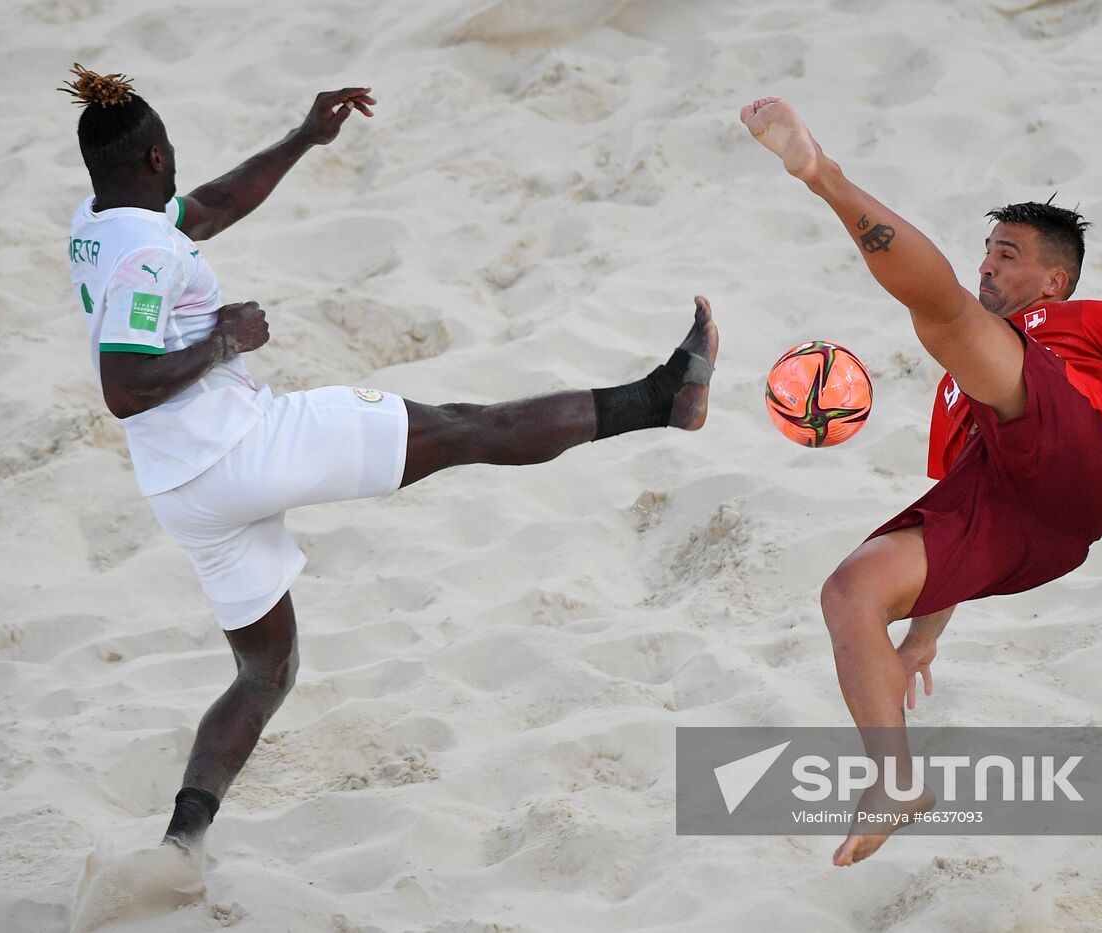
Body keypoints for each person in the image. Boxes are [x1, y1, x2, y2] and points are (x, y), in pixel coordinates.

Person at [61, 65, 719, 856]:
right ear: (158, 157)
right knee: (458, 428)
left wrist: (304, 137)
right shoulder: (143, 256)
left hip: (182, 489)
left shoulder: (98, 221)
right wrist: (224, 340)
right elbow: (124, 387)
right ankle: (662, 397)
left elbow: (214, 207)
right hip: (242, 447)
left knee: (265, 674)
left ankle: (178, 850)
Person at [740, 96, 1102, 866]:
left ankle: (824, 176)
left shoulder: (1087, 319)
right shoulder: (954, 391)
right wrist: (922, 633)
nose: (990, 262)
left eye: (1008, 253)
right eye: (987, 249)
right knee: (851, 591)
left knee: (947, 319)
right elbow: (962, 530)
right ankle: (895, 781)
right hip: (1023, 526)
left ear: (1053, 279)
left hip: (1077, 463)